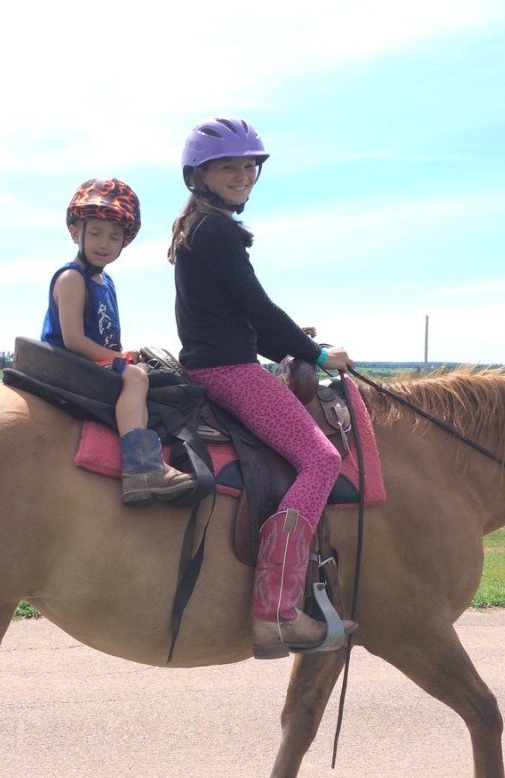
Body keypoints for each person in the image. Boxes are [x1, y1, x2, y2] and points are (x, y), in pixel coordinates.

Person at [168, 117, 357, 658]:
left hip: (219, 361)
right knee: (320, 461)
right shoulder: (218, 230)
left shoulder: (197, 228)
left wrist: (287, 341)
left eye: (250, 165)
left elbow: (240, 313)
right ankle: (276, 609)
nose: (244, 174)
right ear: (199, 176)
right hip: (230, 371)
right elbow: (258, 307)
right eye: (230, 166)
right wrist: (318, 355)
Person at [42, 177, 195, 507]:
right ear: (75, 232)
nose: (104, 243)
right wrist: (121, 359)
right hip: (69, 362)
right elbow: (74, 340)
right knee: (137, 377)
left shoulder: (105, 280)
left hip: (94, 359)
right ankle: (141, 465)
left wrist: (123, 354)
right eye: (95, 232)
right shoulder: (72, 278)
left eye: (114, 236)